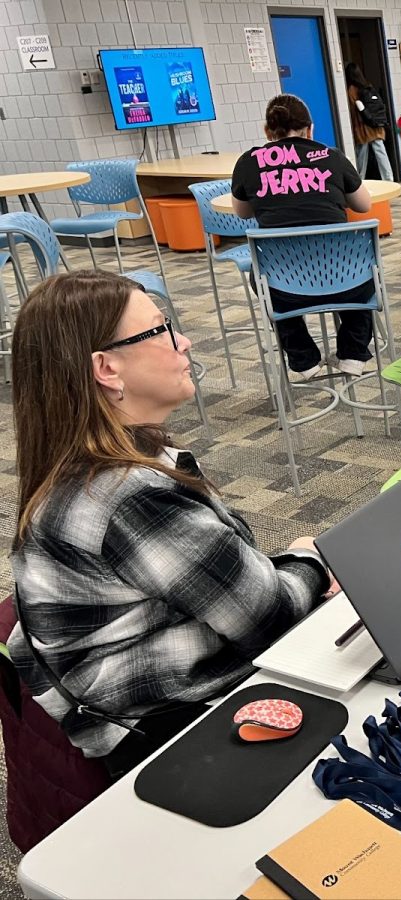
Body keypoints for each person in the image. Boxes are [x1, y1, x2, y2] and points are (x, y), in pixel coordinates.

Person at [6, 271, 333, 775]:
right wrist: (311, 557)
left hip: (133, 695)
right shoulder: (127, 496)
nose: (185, 341)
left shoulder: (87, 462)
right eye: (160, 330)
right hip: (166, 732)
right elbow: (270, 618)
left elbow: (226, 586)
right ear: (107, 369)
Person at [232, 94, 376, 379]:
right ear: (310, 129)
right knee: (364, 263)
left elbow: (243, 213)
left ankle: (303, 358)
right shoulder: (331, 156)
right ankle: (354, 352)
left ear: (267, 132)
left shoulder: (248, 163)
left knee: (259, 274)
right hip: (345, 280)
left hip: (286, 288)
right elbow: (363, 205)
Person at [344, 61, 394, 181]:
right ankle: (389, 178)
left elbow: (352, 110)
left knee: (361, 155)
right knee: (381, 152)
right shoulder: (367, 86)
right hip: (375, 125)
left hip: (362, 127)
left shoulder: (351, 90)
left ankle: (360, 180)